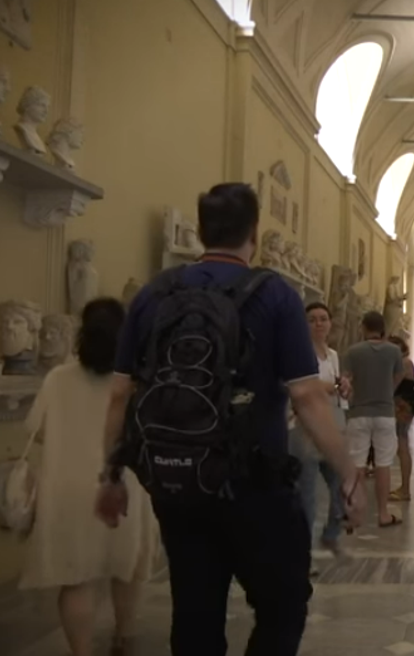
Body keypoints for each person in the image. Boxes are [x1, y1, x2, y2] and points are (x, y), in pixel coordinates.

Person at [96, 183, 363, 656]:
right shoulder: (275, 294)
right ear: (255, 233)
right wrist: (347, 473)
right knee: (284, 605)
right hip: (255, 481)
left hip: (178, 481)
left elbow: (119, 393)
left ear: (200, 231)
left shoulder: (156, 292)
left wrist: (110, 475)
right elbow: (306, 395)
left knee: (195, 613)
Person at [21, 298, 156, 656]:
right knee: (125, 566)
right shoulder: (137, 380)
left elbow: (38, 428)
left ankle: (81, 651)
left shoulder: (58, 377)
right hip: (121, 484)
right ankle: (122, 638)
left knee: (76, 575)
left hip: (66, 487)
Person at [288, 302, 349, 558]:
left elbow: (331, 385)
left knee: (341, 489)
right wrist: (330, 387)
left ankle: (331, 533)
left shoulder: (333, 355)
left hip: (330, 425)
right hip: (304, 429)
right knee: (308, 497)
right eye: (312, 319)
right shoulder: (297, 353)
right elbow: (302, 386)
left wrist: (342, 384)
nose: (319, 324)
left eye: (323, 319)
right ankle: (304, 554)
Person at [341, 311, 405, 527]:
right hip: (385, 413)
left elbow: (345, 380)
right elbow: (399, 376)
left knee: (357, 464)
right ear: (382, 328)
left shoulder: (353, 352)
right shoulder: (394, 351)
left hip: (359, 412)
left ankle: (352, 511)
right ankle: (383, 513)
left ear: (364, 327)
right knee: (383, 464)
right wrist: (388, 390)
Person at [389, 335, 414, 502]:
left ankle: (405, 488)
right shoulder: (407, 362)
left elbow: (392, 385)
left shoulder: (404, 363)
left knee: (402, 446)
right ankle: (404, 487)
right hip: (403, 406)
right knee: (402, 446)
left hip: (401, 407)